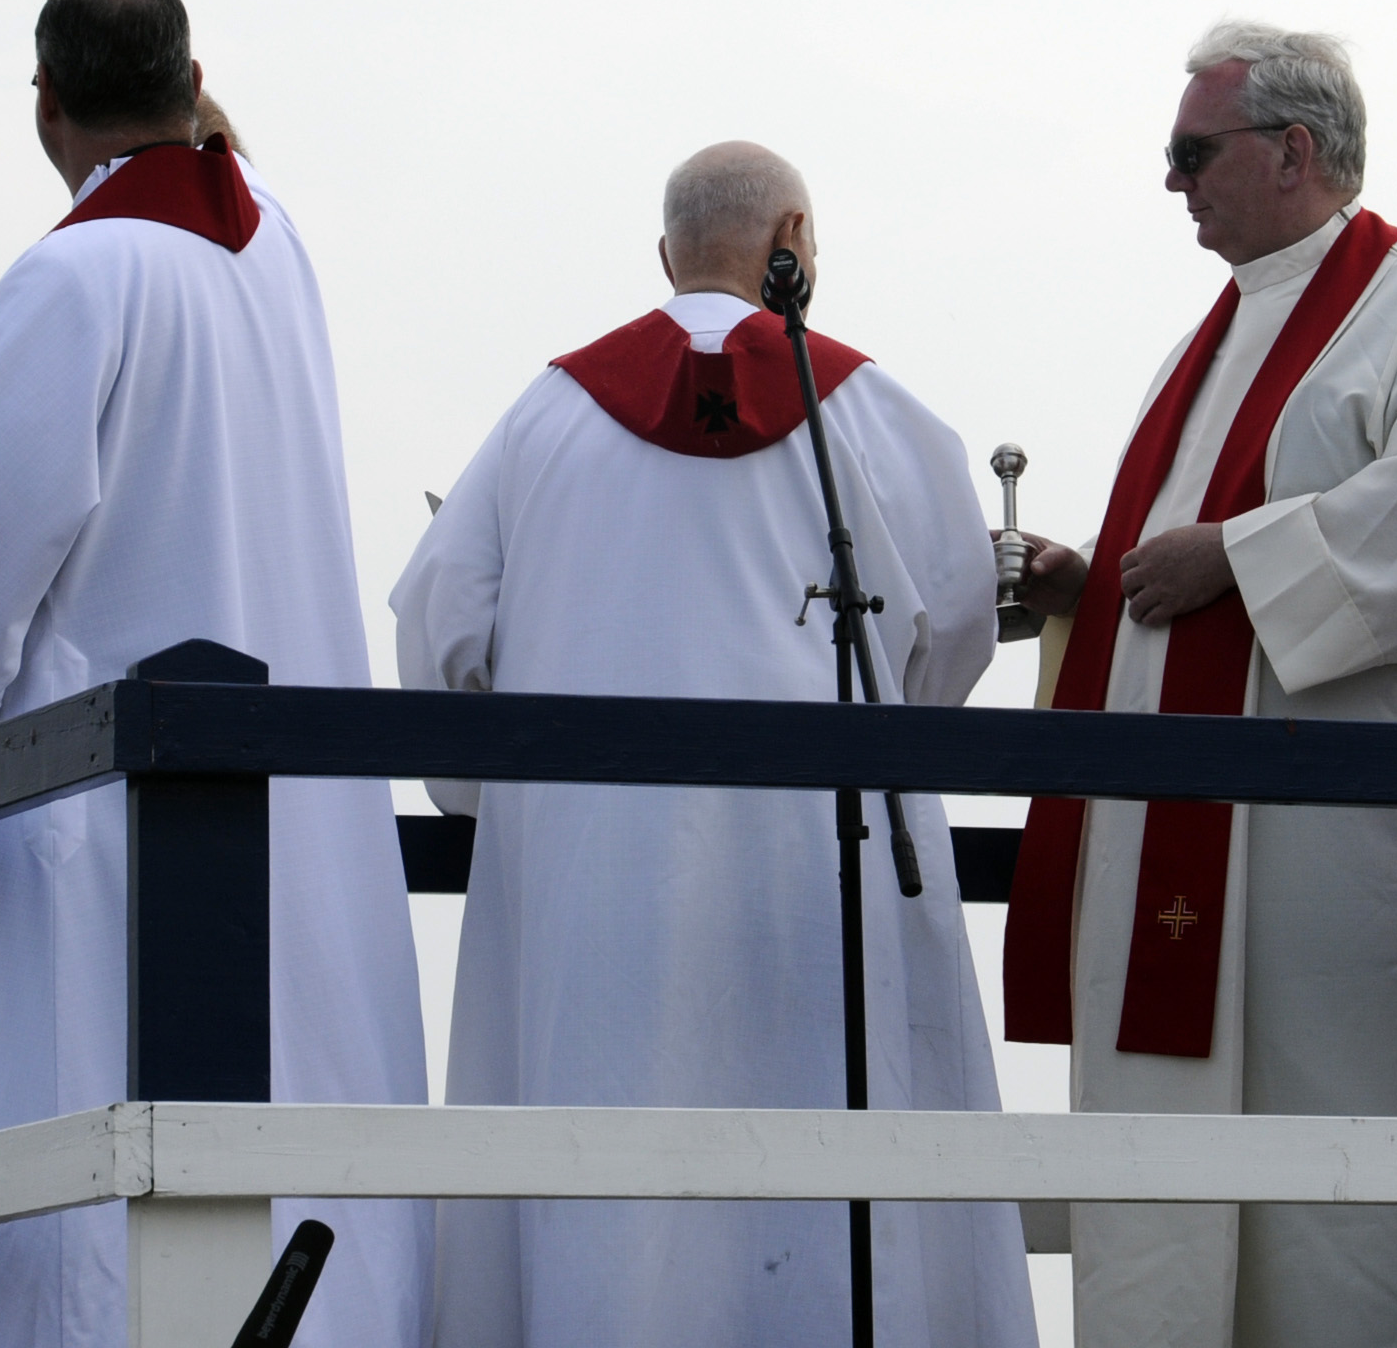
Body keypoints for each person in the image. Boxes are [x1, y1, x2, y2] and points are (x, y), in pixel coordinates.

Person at [391, 142, 1036, 1348]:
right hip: (822, 878)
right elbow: (952, 630)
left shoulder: (543, 419)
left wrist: (510, 808)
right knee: (841, 1164)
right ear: (792, 238)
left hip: (594, 887)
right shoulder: (874, 413)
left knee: (600, 1177)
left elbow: (444, 644)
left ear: (665, 255)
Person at [0, 0, 433, 1348]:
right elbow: (218, 144)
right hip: (302, 799)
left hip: (112, 815)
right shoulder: (276, 251)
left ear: (45, 104)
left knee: (101, 1175)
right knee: (300, 1127)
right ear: (192, 85)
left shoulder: (69, 279)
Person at [999, 26, 1397, 1348]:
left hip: (1342, 875)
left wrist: (1237, 557)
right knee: (1170, 1221)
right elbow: (1183, 577)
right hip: (1186, 860)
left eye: (1193, 153)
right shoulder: (1208, 344)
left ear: (1294, 151)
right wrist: (1093, 588)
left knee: (1352, 1210)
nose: (1172, 181)